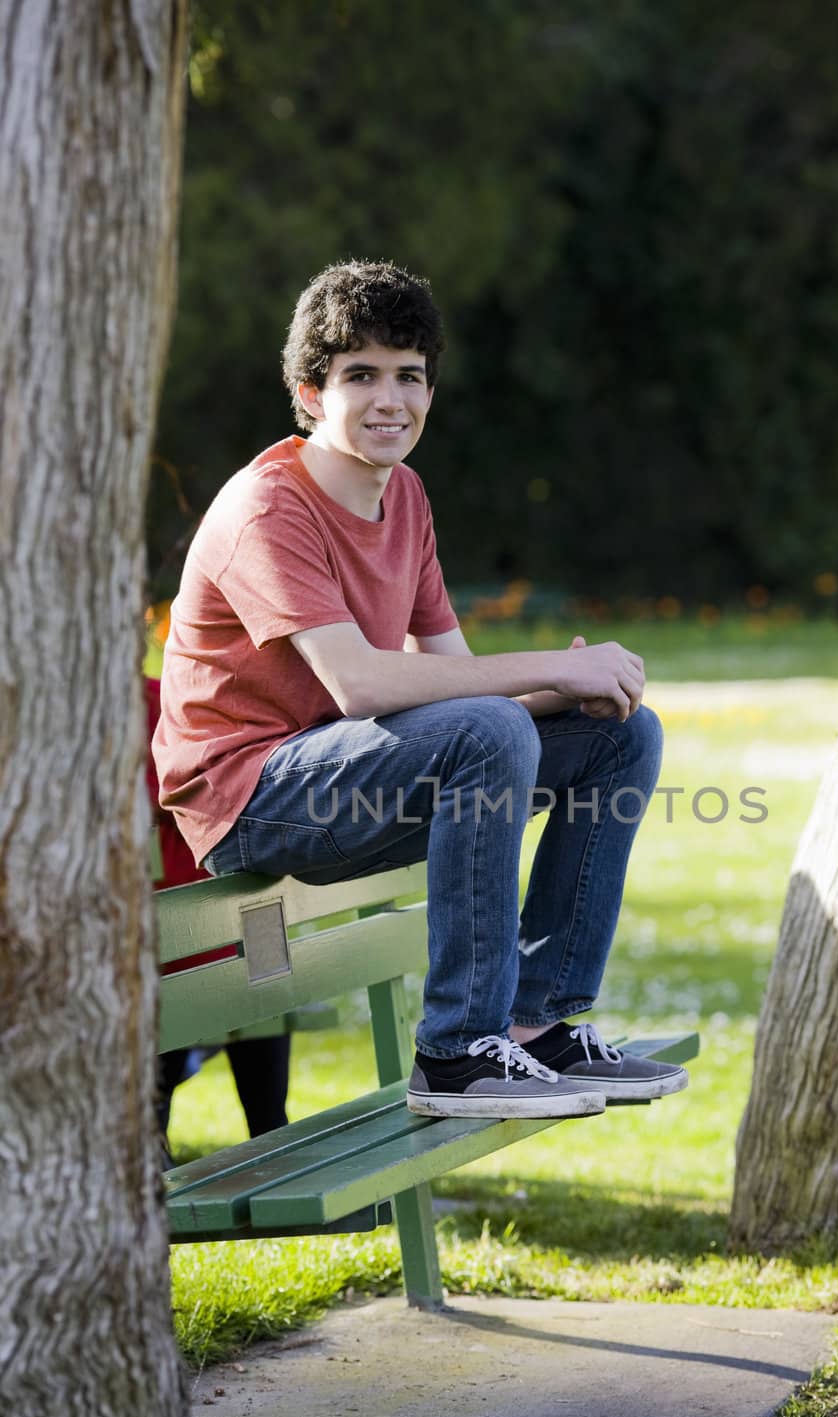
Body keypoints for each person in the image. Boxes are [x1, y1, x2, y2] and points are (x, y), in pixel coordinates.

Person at [153, 258, 688, 1119]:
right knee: (488, 729)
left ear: (431, 392)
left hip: (345, 779)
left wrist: (577, 691)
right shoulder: (268, 509)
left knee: (624, 734)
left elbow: (466, 693)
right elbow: (362, 683)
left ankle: (533, 1027)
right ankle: (453, 1055)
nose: (389, 399)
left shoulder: (403, 497)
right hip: (248, 798)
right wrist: (552, 665)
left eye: (409, 375)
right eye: (359, 375)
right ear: (308, 392)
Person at [146, 676, 290, 1144]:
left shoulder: (153, 707)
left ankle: (153, 1138)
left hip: (172, 949)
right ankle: (270, 1133)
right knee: (258, 942)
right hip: (233, 933)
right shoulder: (180, 701)